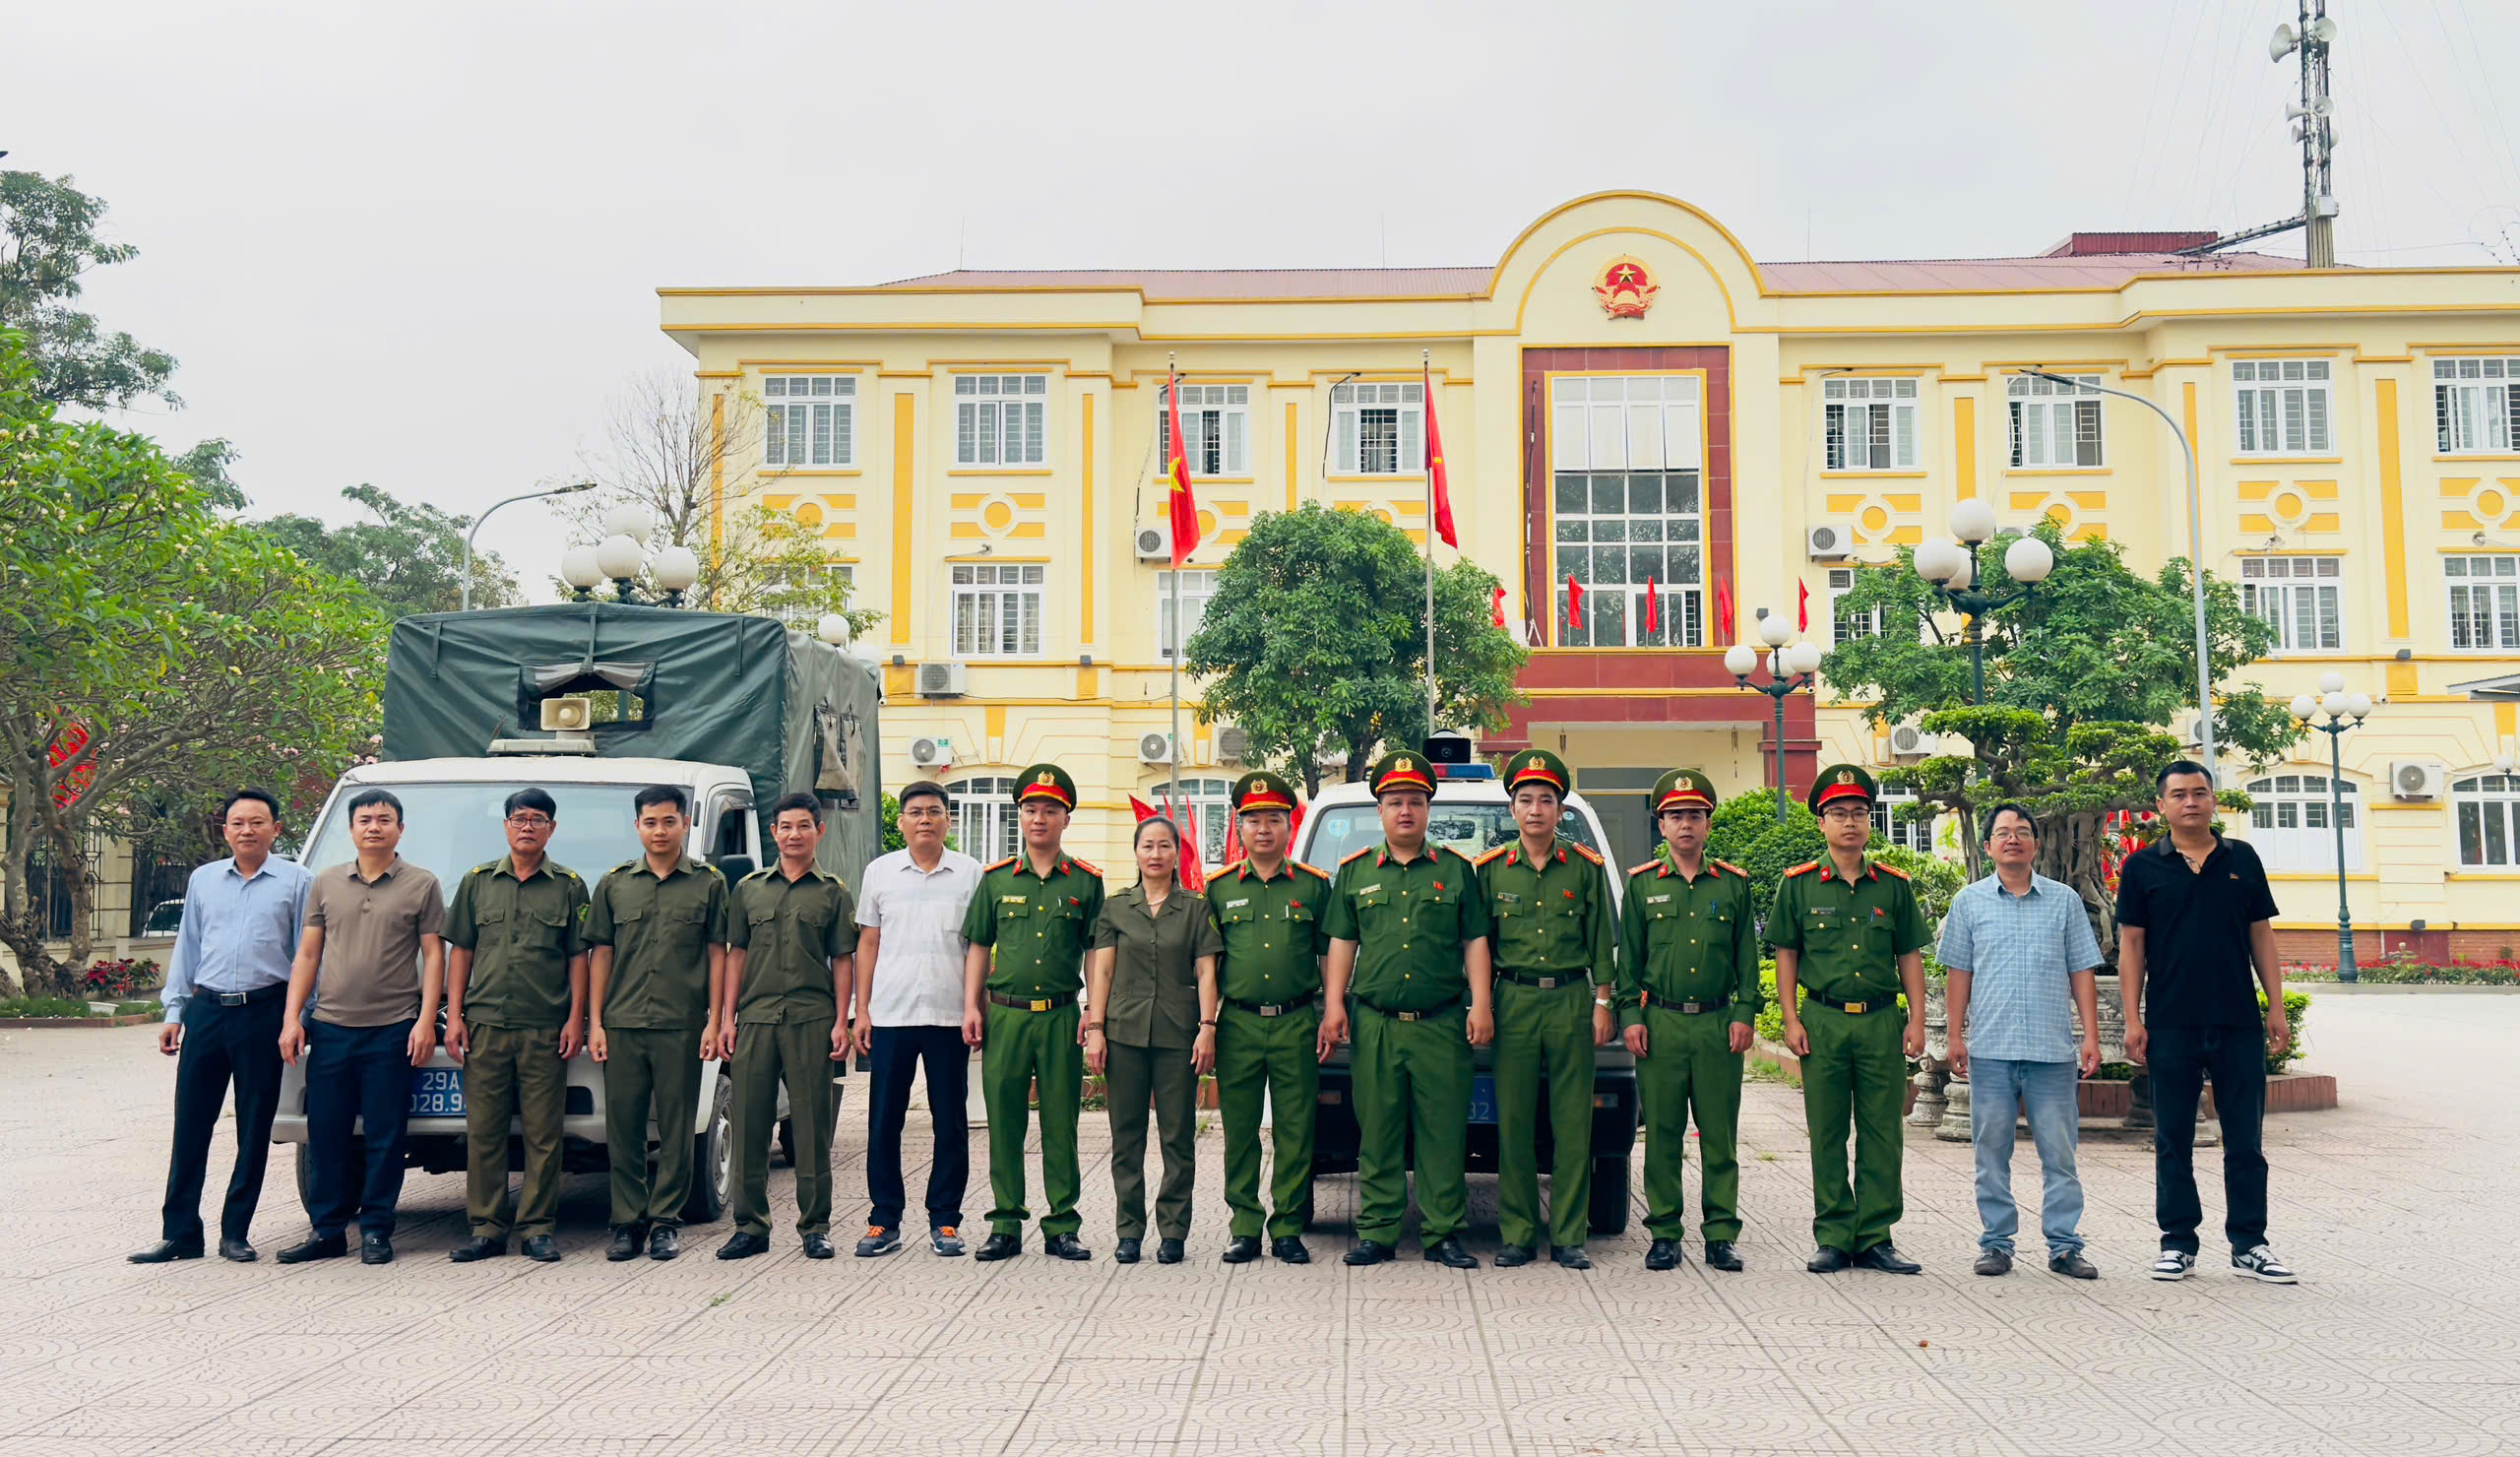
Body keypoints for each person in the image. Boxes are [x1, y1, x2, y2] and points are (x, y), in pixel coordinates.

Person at [2116, 759, 2298, 1285]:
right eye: (2179, 795)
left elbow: (2261, 934)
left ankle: (2250, 1243)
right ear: (2162, 806)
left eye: (2200, 792)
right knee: (2172, 1136)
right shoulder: (2143, 867)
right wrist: (2133, 1017)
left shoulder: (2243, 859)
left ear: (2214, 800)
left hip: (2237, 1020)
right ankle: (2177, 1241)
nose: (2190, 802)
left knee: (2245, 1138)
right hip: (2172, 1023)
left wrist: (2276, 1006)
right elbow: (2132, 945)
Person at [1321, 750, 1495, 1270]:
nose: (1405, 811)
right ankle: (1377, 1231)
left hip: (1441, 1021)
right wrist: (1334, 1005)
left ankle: (1444, 1233)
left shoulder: (1458, 871)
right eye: (1395, 802)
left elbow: (1476, 941)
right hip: (1374, 1022)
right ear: (1380, 811)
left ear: (1428, 811)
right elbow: (1341, 943)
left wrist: (1480, 1004)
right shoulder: (1354, 874)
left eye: (1415, 802)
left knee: (1444, 1132)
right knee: (1378, 1129)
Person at [132, 788, 310, 1264]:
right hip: (206, 1011)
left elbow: (309, 957)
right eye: (237, 823)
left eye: (257, 822)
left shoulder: (297, 881)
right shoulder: (204, 880)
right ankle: (180, 1233)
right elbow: (187, 947)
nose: (246, 830)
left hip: (264, 1013)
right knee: (190, 1124)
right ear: (225, 829)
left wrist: (298, 1018)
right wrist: (175, 1013)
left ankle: (236, 1232)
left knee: (252, 1127)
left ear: (275, 828)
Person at [274, 789, 445, 1266]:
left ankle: (376, 1230)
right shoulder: (326, 882)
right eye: (365, 819)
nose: (374, 826)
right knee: (326, 1133)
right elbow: (308, 954)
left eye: (384, 819)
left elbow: (434, 955)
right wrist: (293, 1018)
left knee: (386, 1135)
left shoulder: (421, 884)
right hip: (330, 1028)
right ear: (352, 829)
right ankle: (327, 1231)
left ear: (400, 829)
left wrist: (426, 1020)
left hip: (393, 1028)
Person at [1770, 764, 1929, 1276]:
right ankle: (1835, 1234)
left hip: (1882, 1020)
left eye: (1859, 813)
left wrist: (1917, 1020)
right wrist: (1791, 1019)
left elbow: (1909, 957)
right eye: (1838, 814)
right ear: (1821, 823)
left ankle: (1876, 1235)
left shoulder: (1893, 887)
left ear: (1870, 821)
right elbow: (1786, 954)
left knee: (1883, 1130)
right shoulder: (1798, 886)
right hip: (1823, 1020)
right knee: (1828, 1130)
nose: (1850, 823)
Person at [1939, 803, 2105, 1280]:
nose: (2013, 839)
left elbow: (2082, 970)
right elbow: (1959, 973)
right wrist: (1955, 1035)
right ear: (1987, 845)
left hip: (2052, 1053)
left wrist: (2089, 1035)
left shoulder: (2065, 901)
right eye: (2003, 833)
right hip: (1991, 1050)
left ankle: (2065, 1245)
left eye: (2023, 832)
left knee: (2060, 1154)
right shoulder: (1969, 902)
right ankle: (1996, 1244)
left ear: (2035, 843)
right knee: (1990, 1153)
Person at [1475, 748, 1614, 1270]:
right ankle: (1516, 1233)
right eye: (1526, 800)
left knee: (1572, 1121)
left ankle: (1569, 1236)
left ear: (1561, 810)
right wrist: (1483, 1005)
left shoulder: (1585, 868)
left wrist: (1603, 1002)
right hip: (1512, 1000)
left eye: (1546, 800)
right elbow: (1480, 946)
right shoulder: (1490, 871)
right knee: (1513, 1120)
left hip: (1571, 1001)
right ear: (1513, 810)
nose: (1536, 809)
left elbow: (1602, 940)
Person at [1616, 769, 1758, 1273]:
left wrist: (1745, 1013)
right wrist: (1630, 1016)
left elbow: (1747, 959)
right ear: (1661, 825)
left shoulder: (1734, 886)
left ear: (1708, 823)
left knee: (1719, 1135)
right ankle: (1664, 1233)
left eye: (1694, 815)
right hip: (1663, 1024)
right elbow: (1627, 963)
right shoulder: (1642, 887)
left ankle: (1721, 1233)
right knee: (1664, 1135)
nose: (1685, 825)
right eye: (1675, 816)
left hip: (1719, 1024)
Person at [961, 763, 1104, 1262]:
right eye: (1030, 810)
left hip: (1062, 1015)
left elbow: (1096, 951)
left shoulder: (1086, 883)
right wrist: (970, 1007)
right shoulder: (997, 881)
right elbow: (979, 945)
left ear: (1066, 819)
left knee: (1061, 1121)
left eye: (1050, 810)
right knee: (1004, 1119)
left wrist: (1093, 1011)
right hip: (1006, 1015)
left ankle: (1062, 1224)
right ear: (1019, 816)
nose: (1039, 818)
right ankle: (1005, 1222)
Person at [443, 788, 591, 1263]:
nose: (527, 826)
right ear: (506, 825)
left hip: (545, 1028)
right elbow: (461, 951)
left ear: (552, 828)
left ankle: (537, 1227)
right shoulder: (478, 881)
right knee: (483, 1131)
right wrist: (455, 1015)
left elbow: (578, 958)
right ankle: (485, 1228)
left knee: (543, 1134)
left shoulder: (569, 885)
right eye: (519, 818)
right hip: (485, 1025)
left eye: (538, 819)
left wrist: (575, 1019)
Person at [586, 786, 729, 1263]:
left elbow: (716, 954)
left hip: (681, 1024)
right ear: (638, 827)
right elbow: (600, 953)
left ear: (685, 823)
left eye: (669, 821)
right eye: (650, 822)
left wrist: (714, 1021)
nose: (660, 830)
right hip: (622, 1023)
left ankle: (666, 1220)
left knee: (677, 1124)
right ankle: (627, 1222)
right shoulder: (614, 883)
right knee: (623, 1127)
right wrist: (596, 1022)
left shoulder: (708, 883)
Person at [717, 792, 856, 1260]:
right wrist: (725, 1019)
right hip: (755, 1020)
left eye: (802, 826)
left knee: (812, 1128)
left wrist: (842, 1020)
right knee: (751, 1123)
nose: (793, 835)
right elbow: (736, 954)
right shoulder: (749, 889)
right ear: (773, 833)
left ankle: (814, 1226)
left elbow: (843, 959)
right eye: (784, 827)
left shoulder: (832, 891)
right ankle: (750, 1226)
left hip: (812, 1021)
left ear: (818, 831)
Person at [849, 780, 982, 1259]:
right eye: (915, 812)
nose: (924, 819)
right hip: (890, 1014)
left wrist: (974, 1006)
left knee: (951, 1123)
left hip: (950, 1016)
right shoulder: (881, 872)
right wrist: (860, 1011)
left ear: (948, 820)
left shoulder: (970, 874)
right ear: (901, 822)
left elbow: (978, 949)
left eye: (934, 811)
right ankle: (884, 1219)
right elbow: (868, 942)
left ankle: (945, 1219)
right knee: (884, 1120)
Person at [1086, 816, 1223, 1265]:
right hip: (1123, 1032)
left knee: (1177, 1136)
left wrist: (1207, 1027)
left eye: (1165, 845)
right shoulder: (1117, 907)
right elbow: (1102, 971)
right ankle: (1129, 1230)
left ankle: (1173, 1231)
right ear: (1137, 852)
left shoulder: (1195, 908)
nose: (1156, 854)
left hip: (1177, 1035)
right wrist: (1096, 1029)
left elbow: (1206, 971)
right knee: (1127, 1137)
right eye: (1148, 845)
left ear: (1175, 853)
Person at [1208, 771, 1331, 1265]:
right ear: (1240, 828)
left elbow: (1329, 955)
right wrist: (1208, 1025)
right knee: (1239, 1130)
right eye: (1254, 820)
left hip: (1297, 1020)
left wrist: (1329, 1013)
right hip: (1237, 1023)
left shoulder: (1314, 887)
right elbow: (1207, 967)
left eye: (1274, 820)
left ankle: (1288, 1227)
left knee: (1295, 1128)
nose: (1264, 829)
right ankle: (1243, 1226)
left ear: (1289, 826)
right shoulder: (1217, 890)